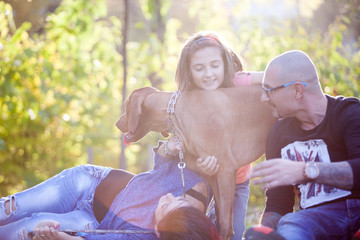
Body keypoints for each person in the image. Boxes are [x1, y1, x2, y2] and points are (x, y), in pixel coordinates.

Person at [0, 138, 220, 240]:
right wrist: (169, 147)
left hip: (92, 221)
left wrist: (56, 236)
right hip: (89, 183)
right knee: (11, 207)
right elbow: (162, 161)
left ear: (161, 232)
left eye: (167, 208)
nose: (168, 197)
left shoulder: (143, 238)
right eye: (178, 199)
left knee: (26, 229)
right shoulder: (190, 183)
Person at [244, 50, 360, 240]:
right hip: (316, 221)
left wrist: (305, 170)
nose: (263, 98)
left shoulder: (349, 113)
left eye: (268, 90)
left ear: (297, 90)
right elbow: (278, 202)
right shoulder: (278, 134)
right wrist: (265, 233)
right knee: (291, 222)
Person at [174, 30, 263, 240]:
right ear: (188, 71)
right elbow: (180, 143)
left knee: (234, 232)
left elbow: (273, 77)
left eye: (215, 65)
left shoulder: (236, 82)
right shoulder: (186, 98)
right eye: (199, 68)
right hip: (200, 177)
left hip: (238, 180)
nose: (208, 74)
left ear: (225, 63)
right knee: (192, 231)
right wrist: (197, 162)